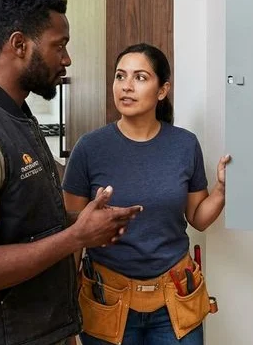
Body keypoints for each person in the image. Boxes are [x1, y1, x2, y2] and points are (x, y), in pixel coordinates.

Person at [0, 0, 142, 345]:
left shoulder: (16, 116)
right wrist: (76, 237)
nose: (67, 59)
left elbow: (22, 223)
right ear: (19, 44)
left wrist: (81, 222)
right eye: (60, 45)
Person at [63, 43, 230, 345]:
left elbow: (198, 218)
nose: (126, 86)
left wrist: (221, 190)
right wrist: (65, 309)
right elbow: (72, 234)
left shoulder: (184, 145)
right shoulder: (90, 148)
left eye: (140, 77)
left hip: (175, 297)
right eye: (120, 76)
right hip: (106, 300)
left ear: (162, 90)